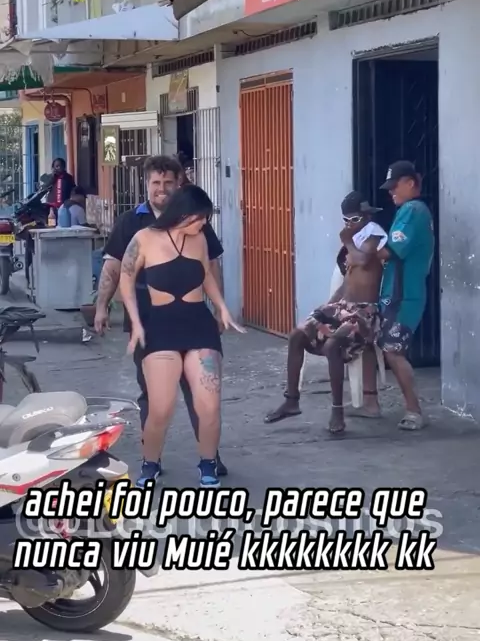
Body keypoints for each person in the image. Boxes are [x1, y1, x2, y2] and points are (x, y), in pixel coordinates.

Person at [94, 155, 229, 476]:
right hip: (148, 324)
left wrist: (218, 308)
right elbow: (113, 268)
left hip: (193, 322)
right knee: (155, 399)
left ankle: (210, 457)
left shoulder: (197, 222)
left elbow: (211, 267)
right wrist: (101, 306)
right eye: (156, 182)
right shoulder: (131, 222)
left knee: (202, 394)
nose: (162, 188)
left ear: (179, 184)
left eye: (169, 182)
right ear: (147, 184)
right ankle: (152, 460)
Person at [119, 184, 244, 488]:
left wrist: (222, 308)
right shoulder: (144, 239)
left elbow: (206, 275)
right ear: (184, 214)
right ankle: (150, 462)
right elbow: (125, 280)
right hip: (160, 328)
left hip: (199, 326)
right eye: (201, 218)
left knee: (209, 406)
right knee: (161, 408)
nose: (204, 223)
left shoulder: (199, 239)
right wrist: (135, 323)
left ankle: (208, 463)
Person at [265, 192, 386, 435]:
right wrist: (327, 307)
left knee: (332, 346)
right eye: (347, 220)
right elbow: (348, 281)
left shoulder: (373, 234)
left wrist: (347, 240)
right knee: (297, 335)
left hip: (364, 311)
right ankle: (291, 400)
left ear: (365, 217)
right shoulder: (355, 238)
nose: (350, 225)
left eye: (355, 219)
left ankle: (337, 411)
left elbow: (363, 261)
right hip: (343, 306)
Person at [375, 161, 434, 431]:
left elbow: (389, 251)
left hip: (404, 296)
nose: (391, 192)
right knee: (390, 350)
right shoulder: (409, 210)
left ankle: (414, 411)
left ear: (410, 183)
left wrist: (359, 245)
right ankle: (370, 402)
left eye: (394, 186)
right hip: (398, 294)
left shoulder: (412, 210)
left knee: (394, 352)